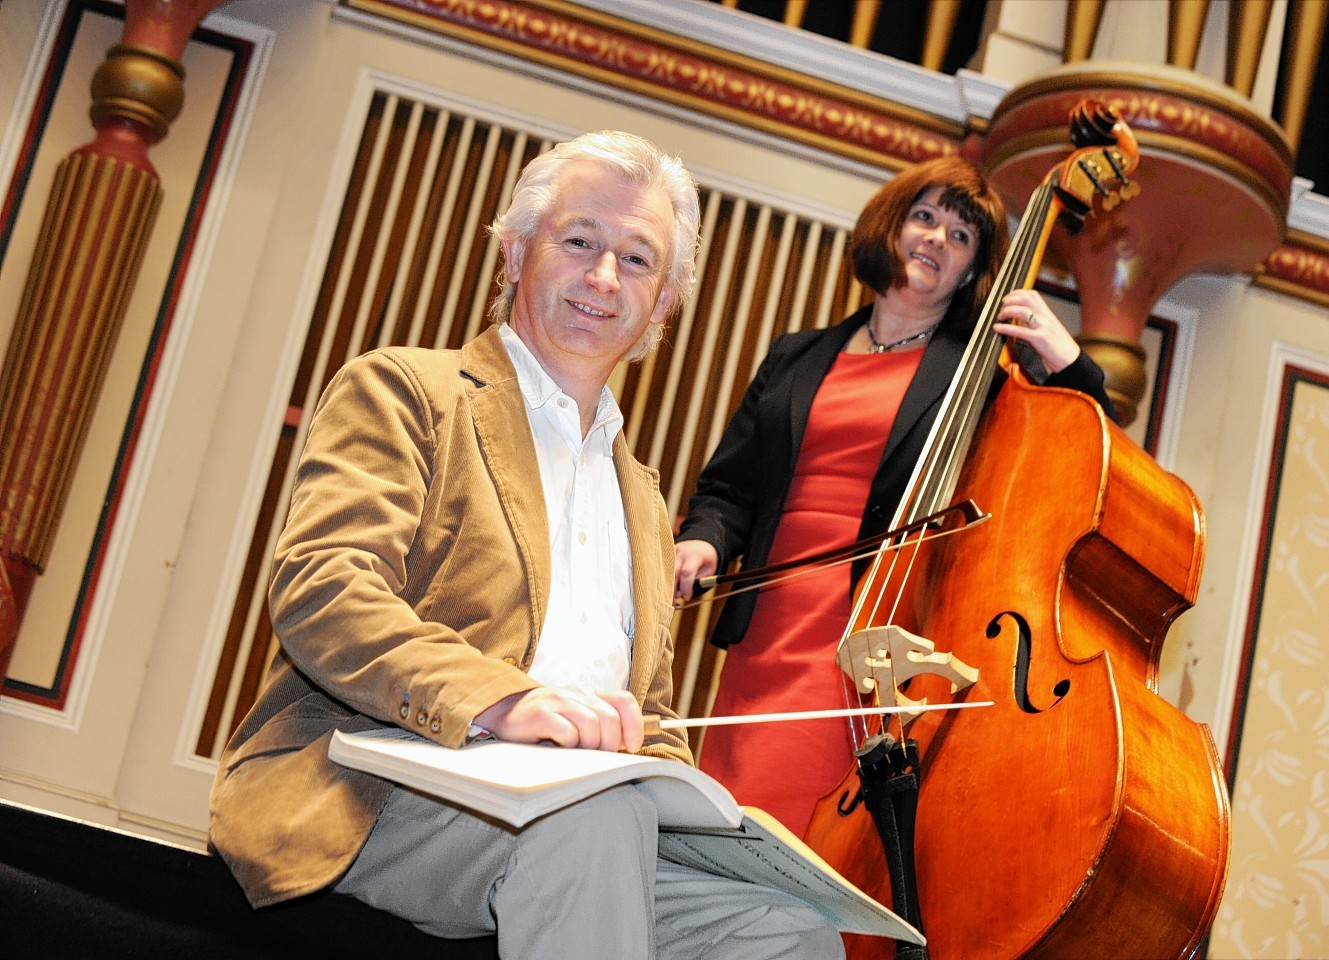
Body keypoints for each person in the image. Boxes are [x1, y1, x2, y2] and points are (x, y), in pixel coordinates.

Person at [209, 130, 844, 960]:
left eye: (638, 260)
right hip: (380, 785)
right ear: (514, 255)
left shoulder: (648, 505)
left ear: (664, 306)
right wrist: (504, 701)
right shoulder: (407, 390)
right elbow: (325, 591)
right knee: (596, 819)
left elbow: (650, 718)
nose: (604, 277)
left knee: (789, 927)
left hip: (581, 813)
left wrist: (685, 796)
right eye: (579, 241)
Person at [671, 156, 1120, 836]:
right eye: (926, 217)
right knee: (718, 832)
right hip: (765, 631)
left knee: (797, 847)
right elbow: (730, 487)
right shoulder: (796, 355)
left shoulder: (982, 372)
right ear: (892, 225)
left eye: (962, 236)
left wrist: (1069, 359)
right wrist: (702, 539)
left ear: (973, 271)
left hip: (871, 639)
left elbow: (1091, 444)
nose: (938, 239)